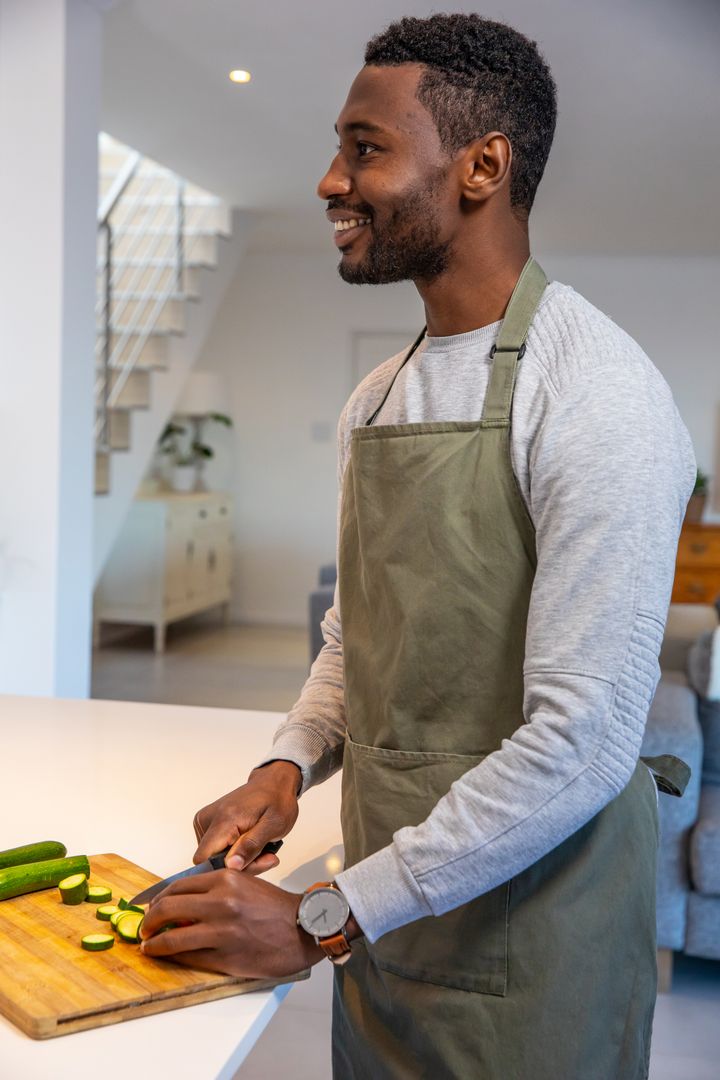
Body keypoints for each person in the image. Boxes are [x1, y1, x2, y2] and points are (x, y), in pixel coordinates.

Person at [140, 13, 697, 1078]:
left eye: (365, 148)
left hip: (536, 936)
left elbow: (582, 742)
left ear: (482, 166)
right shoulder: (375, 400)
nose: (328, 181)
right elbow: (361, 638)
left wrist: (317, 916)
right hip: (389, 918)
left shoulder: (598, 396)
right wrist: (286, 766)